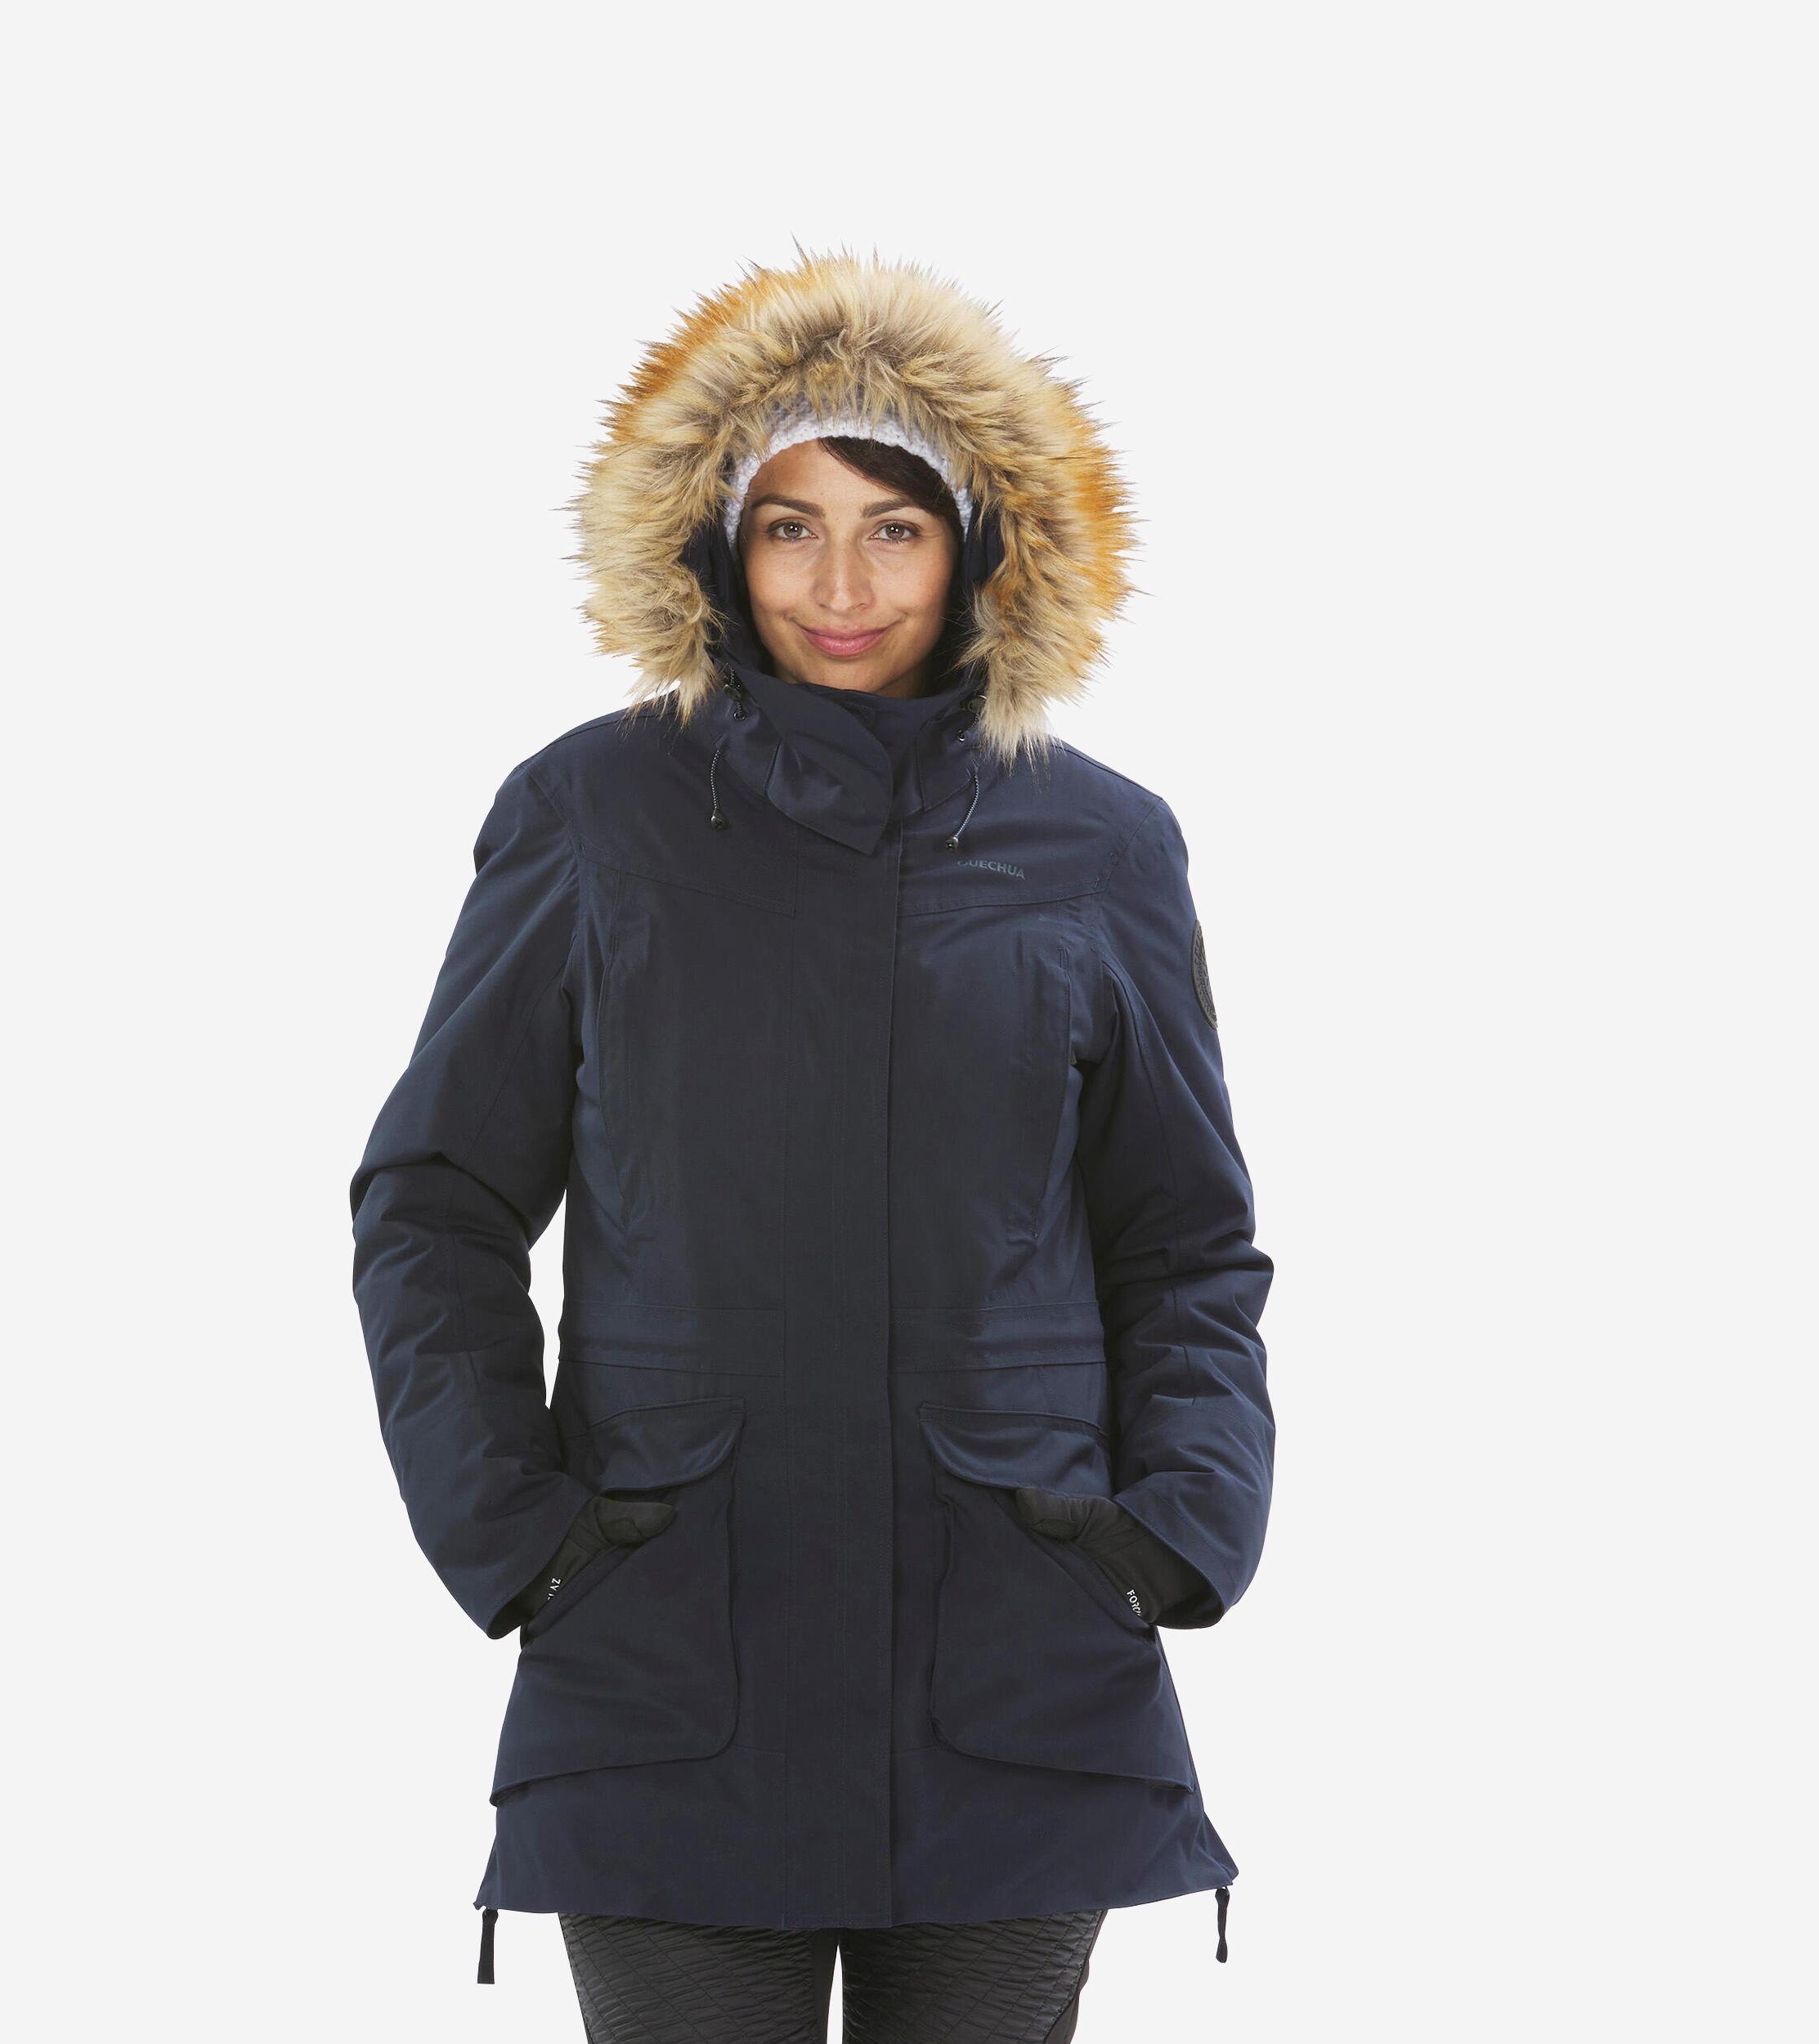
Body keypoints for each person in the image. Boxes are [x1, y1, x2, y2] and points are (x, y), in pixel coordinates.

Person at [348, 249, 1275, 2042]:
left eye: (892, 530)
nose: (840, 588)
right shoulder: (589, 814)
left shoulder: (1099, 844)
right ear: (714, 544)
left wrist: (1171, 1531)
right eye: (789, 529)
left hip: (1018, 1658)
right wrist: (520, 1535)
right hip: (666, 1654)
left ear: (982, 546)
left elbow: (1181, 1242)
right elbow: (435, 1204)